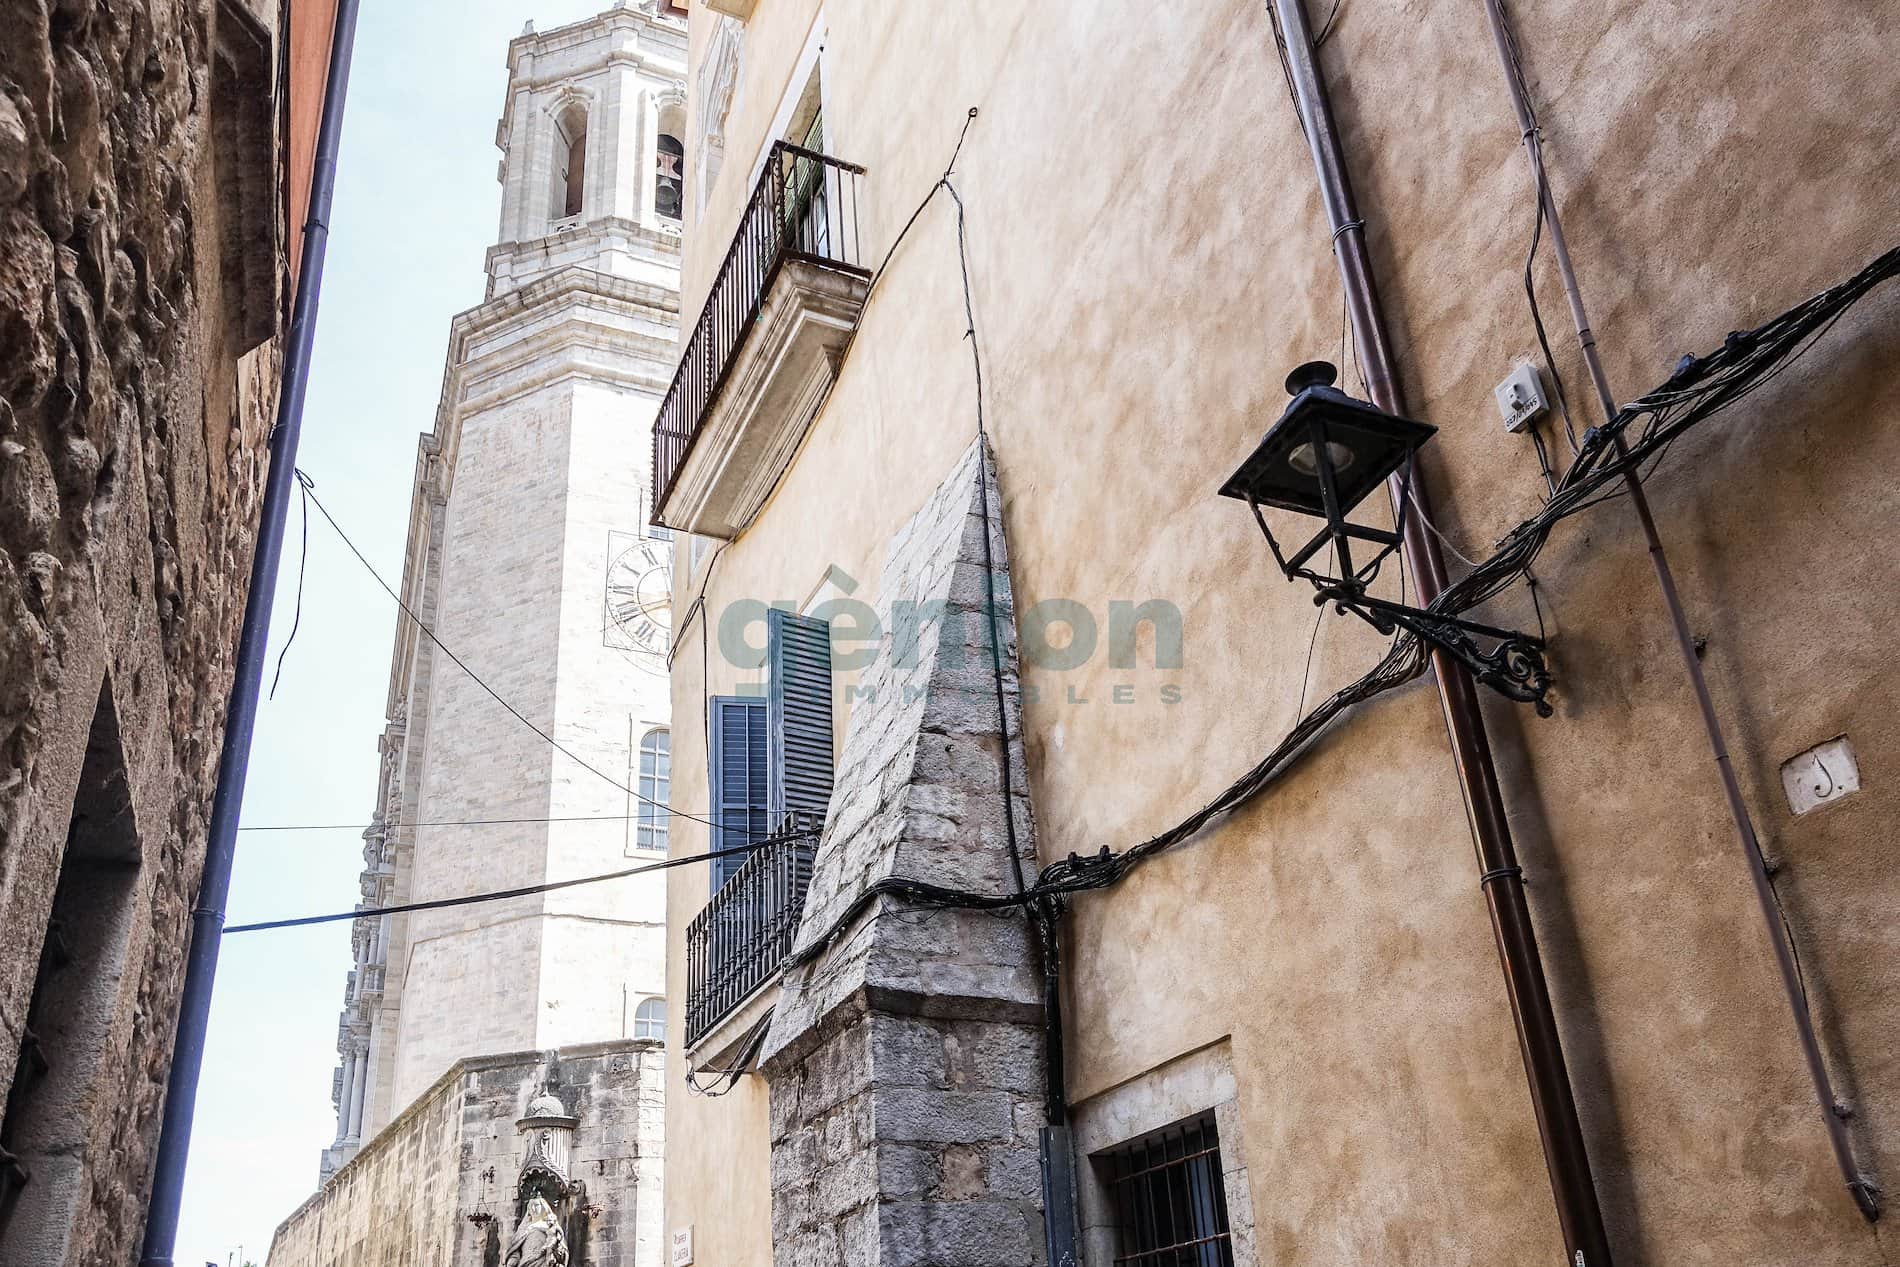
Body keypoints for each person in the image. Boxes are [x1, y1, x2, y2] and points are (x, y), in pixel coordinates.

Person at [503, 1196, 568, 1267]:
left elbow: (560, 1245)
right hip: (524, 1263)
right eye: (531, 1207)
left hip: (543, 1262)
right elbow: (515, 1248)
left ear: (543, 1207)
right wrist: (514, 1258)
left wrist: (552, 1249)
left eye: (536, 1205)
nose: (533, 1208)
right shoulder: (523, 1229)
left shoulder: (550, 1225)